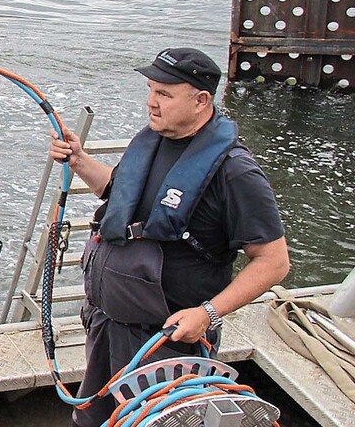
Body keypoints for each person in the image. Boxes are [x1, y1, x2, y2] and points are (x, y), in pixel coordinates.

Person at [49, 47, 291, 427]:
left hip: (167, 344)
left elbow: (274, 262)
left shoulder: (236, 173)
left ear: (201, 100)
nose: (151, 103)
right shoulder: (153, 141)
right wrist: (78, 161)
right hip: (108, 327)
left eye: (164, 93)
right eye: (150, 89)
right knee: (95, 420)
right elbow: (119, 193)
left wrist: (207, 313)